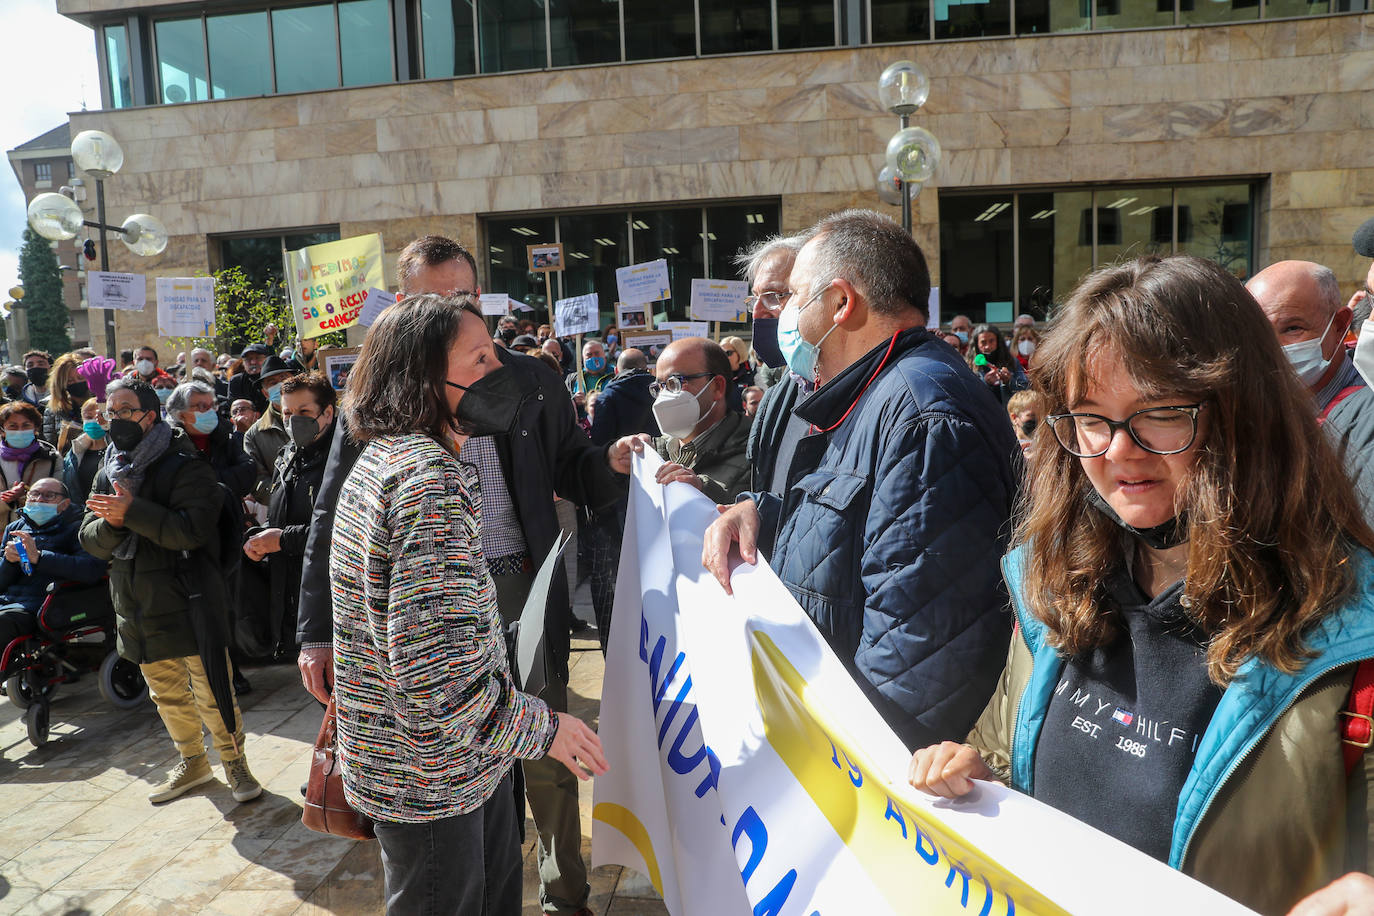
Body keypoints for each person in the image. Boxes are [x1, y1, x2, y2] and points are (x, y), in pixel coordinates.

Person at [907, 255, 1374, 916]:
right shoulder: (1051, 581)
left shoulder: (1351, 634)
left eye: (1158, 413)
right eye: (1090, 418)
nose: (1118, 452)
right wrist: (972, 774)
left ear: (1245, 414)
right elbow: (1004, 749)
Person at [298, 235, 622, 916]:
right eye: (478, 360)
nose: (498, 369)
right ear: (423, 375)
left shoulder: (388, 458)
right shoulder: (429, 480)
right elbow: (440, 684)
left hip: (435, 765)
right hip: (432, 776)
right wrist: (545, 728)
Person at [701, 209, 1020, 751]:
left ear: (840, 303)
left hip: (849, 769)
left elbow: (915, 661)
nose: (786, 316)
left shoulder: (923, 414)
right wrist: (756, 509)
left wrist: (831, 768)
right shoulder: (866, 392)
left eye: (796, 296)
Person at [79, 378, 260, 805]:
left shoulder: (184, 463)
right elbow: (89, 537)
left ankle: (235, 762)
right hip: (136, 599)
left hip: (189, 594)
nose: (117, 418)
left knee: (213, 686)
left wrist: (132, 511)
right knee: (166, 691)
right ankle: (192, 761)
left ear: (150, 413)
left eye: (126, 409)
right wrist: (114, 523)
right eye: (112, 410)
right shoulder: (109, 467)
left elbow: (189, 531)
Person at [1248, 260, 1374, 523]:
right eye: (1257, 334)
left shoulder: (1365, 417)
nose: (1272, 348)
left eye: (1292, 329)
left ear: (1339, 325)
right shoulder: (1251, 410)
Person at [241, 372, 336, 660]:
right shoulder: (287, 455)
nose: (294, 420)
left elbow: (344, 532)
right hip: (297, 602)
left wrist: (283, 540)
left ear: (328, 413)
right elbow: (282, 517)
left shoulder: (344, 458)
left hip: (332, 606)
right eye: (287, 413)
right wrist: (259, 539)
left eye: (304, 412)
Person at [617, 337, 752, 505]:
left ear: (717, 387)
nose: (664, 395)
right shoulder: (657, 450)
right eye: (660, 386)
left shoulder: (753, 452)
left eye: (676, 382)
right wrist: (616, 460)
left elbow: (756, 514)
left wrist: (702, 490)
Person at [735, 235, 807, 493]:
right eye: (755, 298)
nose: (758, 313)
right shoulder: (777, 396)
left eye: (774, 296)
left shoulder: (869, 391)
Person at [0, 477, 106, 652]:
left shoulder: (78, 528)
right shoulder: (15, 528)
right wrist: (9, 562)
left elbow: (91, 569)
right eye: (34, 494)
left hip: (48, 605)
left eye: (49, 495)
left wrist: (39, 557)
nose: (40, 499)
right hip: (9, 600)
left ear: (65, 504)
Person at [166, 380, 255, 500]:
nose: (210, 411)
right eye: (202, 406)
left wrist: (206, 479)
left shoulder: (226, 439)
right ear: (181, 415)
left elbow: (249, 471)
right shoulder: (169, 445)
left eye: (213, 405)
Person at [0, 401, 61, 529]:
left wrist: (31, 496)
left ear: (35, 429)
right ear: (2, 431)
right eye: (13, 426)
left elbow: (60, 497)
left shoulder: (51, 457)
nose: (20, 431)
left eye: (26, 425)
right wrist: (6, 499)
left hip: (38, 532)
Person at [242, 357, 295, 502]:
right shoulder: (254, 435)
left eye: (284, 378)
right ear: (265, 393)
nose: (281, 385)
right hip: (285, 511)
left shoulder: (317, 416)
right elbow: (258, 482)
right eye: (272, 383)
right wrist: (289, 498)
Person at [588, 348, 658, 447]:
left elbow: (600, 440)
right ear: (646, 368)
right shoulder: (661, 391)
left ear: (616, 370)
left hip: (622, 458)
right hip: (659, 457)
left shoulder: (607, 397)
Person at [62, 398, 110, 507]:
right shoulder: (74, 452)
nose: (94, 421)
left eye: (99, 416)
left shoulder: (115, 451)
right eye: (88, 417)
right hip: (80, 515)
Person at [966, 322, 1028, 406]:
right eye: (983, 342)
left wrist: (1009, 381)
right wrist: (986, 383)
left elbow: (1025, 390)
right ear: (977, 345)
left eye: (991, 341)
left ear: (998, 342)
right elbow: (966, 394)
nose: (988, 346)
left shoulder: (1012, 362)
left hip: (1008, 413)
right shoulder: (968, 366)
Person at [41, 353, 91, 452]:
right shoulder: (53, 410)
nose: (76, 382)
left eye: (80, 378)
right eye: (70, 381)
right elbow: (50, 445)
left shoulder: (99, 403)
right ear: (61, 384)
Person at [228, 343, 273, 414]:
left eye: (258, 358)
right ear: (243, 363)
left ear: (267, 359)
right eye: (248, 359)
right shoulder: (237, 381)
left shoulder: (274, 378)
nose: (253, 362)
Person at [719, 335, 753, 413]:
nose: (724, 356)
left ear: (739, 353)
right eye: (721, 353)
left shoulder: (752, 372)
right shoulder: (715, 373)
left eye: (728, 353)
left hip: (745, 421)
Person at [1006, 389, 1041, 459]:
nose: (1037, 420)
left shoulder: (1046, 444)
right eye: (1031, 415)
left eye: (1040, 415)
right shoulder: (1008, 447)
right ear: (1014, 418)